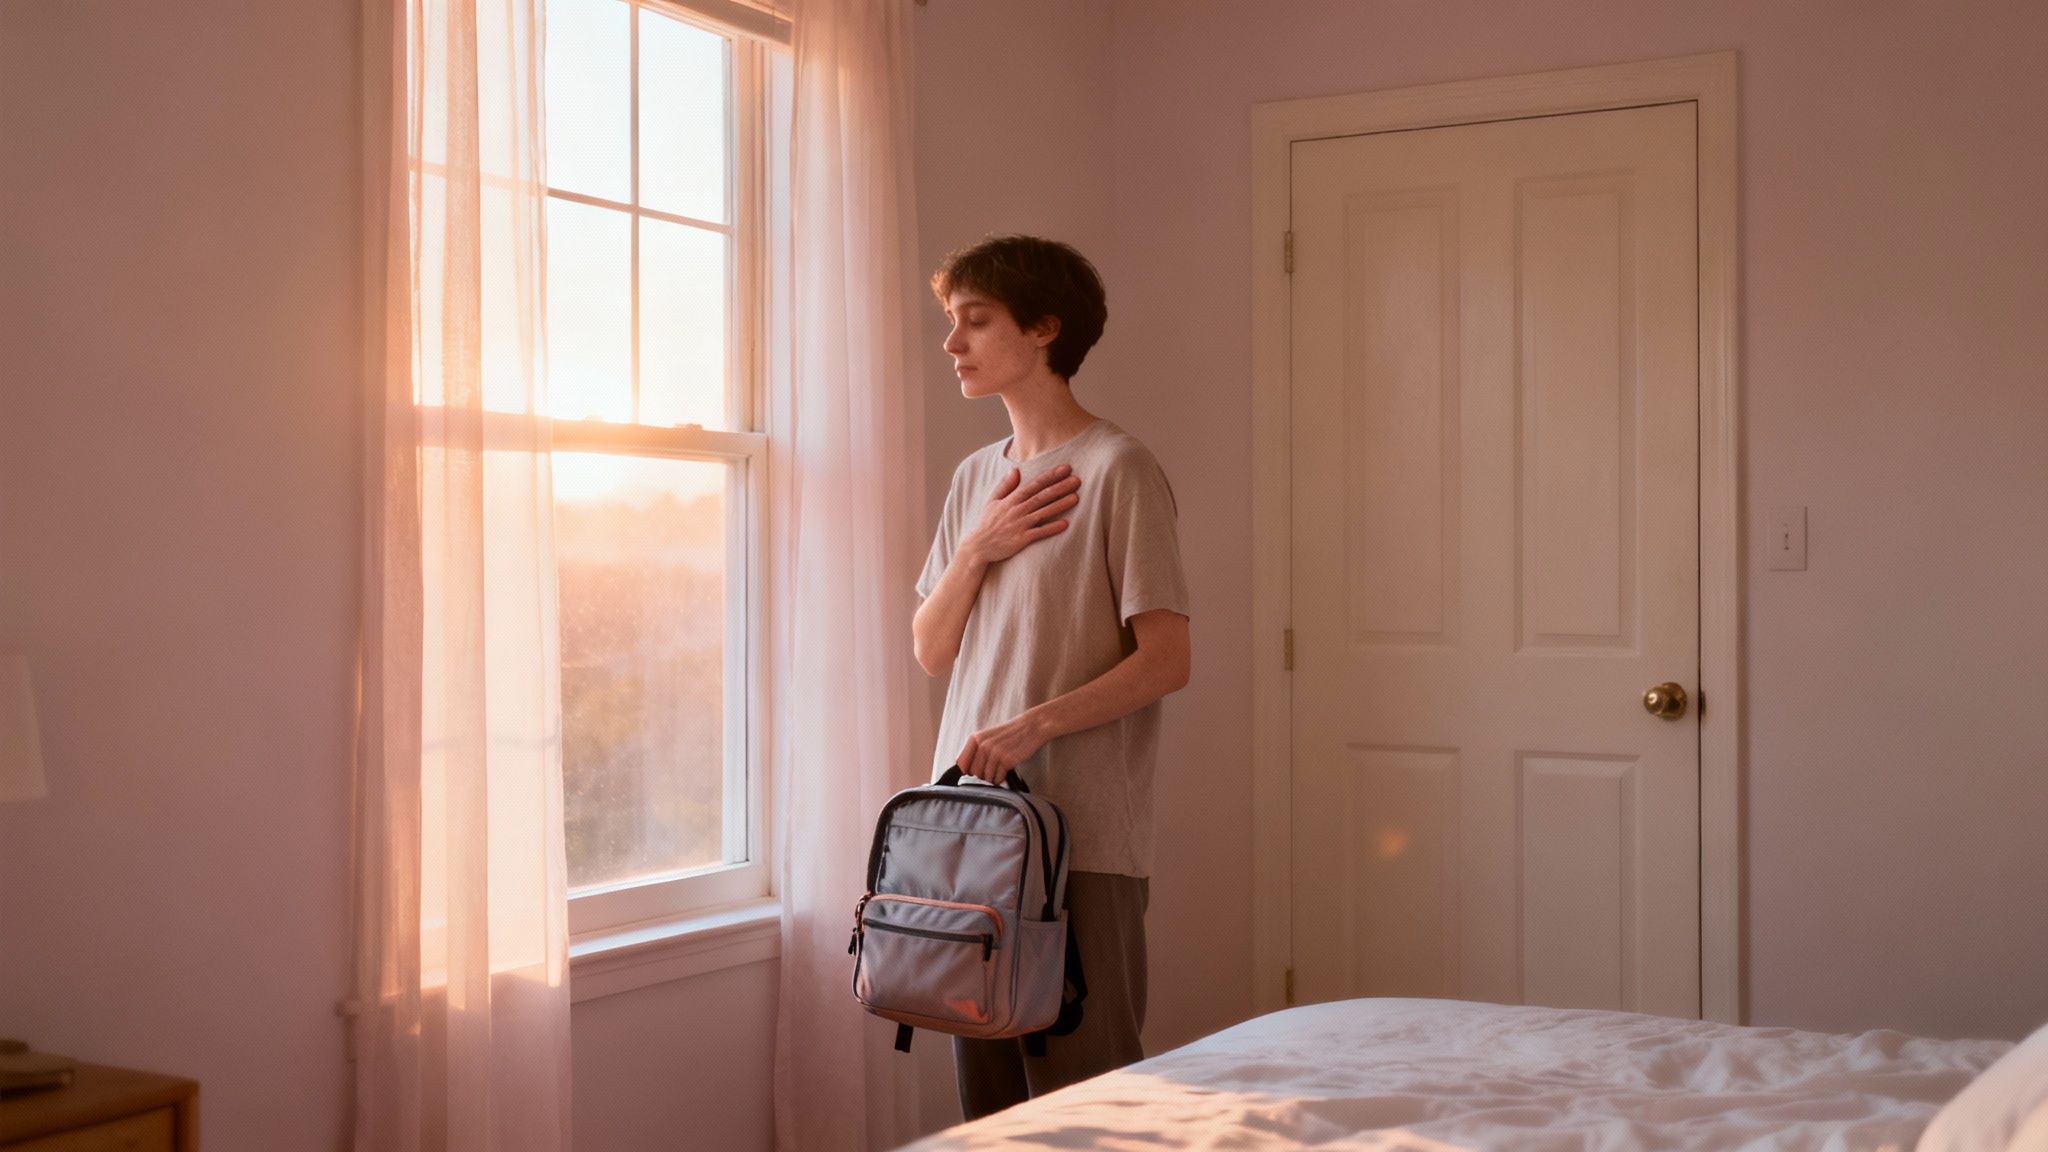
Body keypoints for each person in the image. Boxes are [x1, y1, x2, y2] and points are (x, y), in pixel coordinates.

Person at [912, 234, 1191, 1119]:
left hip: (1084, 835)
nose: (952, 342)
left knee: (1087, 1095)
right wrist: (977, 550)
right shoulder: (975, 479)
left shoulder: (1118, 469)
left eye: (975, 321)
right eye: (950, 321)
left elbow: (1167, 660)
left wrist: (1032, 725)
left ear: (1043, 328)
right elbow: (931, 648)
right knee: (989, 1101)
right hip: (970, 826)